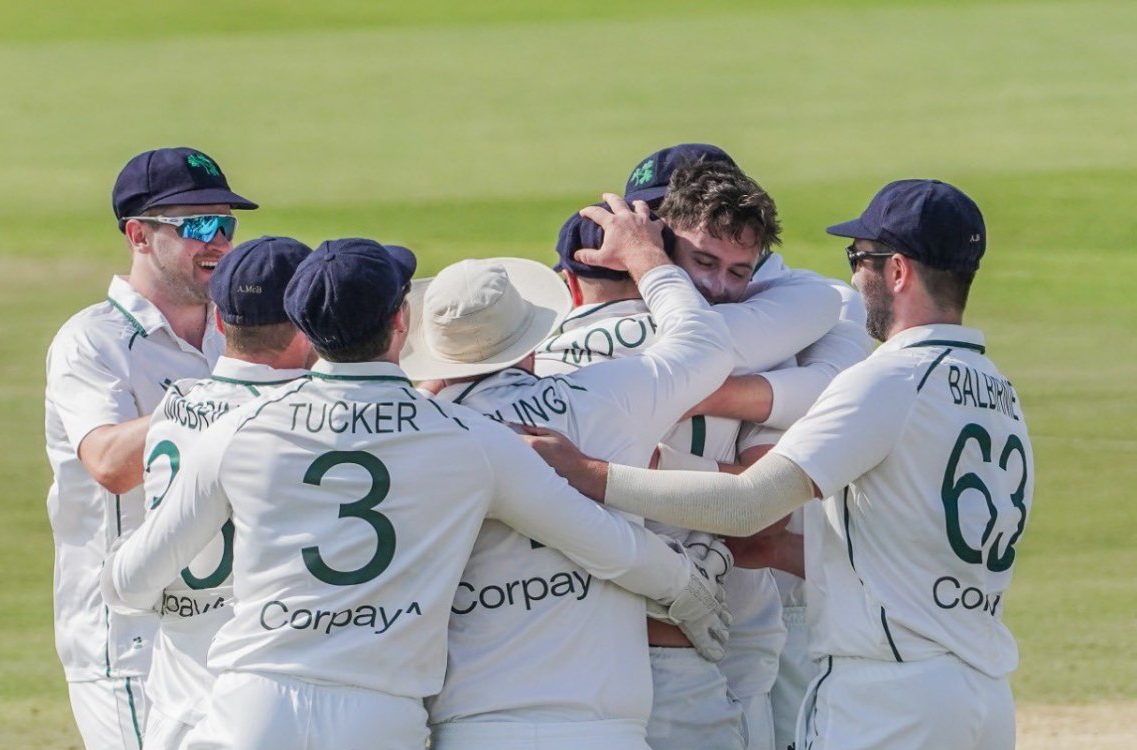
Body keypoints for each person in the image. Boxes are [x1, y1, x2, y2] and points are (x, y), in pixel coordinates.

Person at [101, 238, 730, 750]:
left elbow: (128, 581)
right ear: (401, 322)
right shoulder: (470, 438)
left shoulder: (238, 431)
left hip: (254, 705)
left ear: (306, 329)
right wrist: (689, 591)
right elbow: (603, 544)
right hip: (381, 715)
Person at [527, 179, 1033, 750]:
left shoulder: (888, 379)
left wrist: (590, 472)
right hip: (983, 695)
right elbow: (911, 550)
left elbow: (746, 504)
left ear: (897, 271)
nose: (853, 278)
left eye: (859, 258)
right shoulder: (999, 392)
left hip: (890, 699)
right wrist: (779, 551)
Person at [538, 146, 871, 750]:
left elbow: (821, 399)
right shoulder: (732, 322)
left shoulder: (784, 303)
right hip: (627, 629)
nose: (716, 284)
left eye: (735, 266)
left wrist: (696, 392)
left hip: (739, 627)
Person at [401, 196, 737, 749]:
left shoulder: (424, 437)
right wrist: (648, 259)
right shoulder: (604, 397)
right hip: (606, 722)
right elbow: (705, 343)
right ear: (531, 336)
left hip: (472, 722)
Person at [43, 146, 256, 749]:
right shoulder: (93, 341)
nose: (218, 241)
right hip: (129, 635)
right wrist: (215, 401)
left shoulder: (237, 333)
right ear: (139, 234)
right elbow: (109, 463)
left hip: (229, 622)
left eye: (227, 224)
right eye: (197, 226)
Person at [139, 236, 314, 749]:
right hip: (267, 696)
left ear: (220, 322)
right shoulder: (303, 421)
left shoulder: (176, 404)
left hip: (175, 701)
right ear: (309, 327)